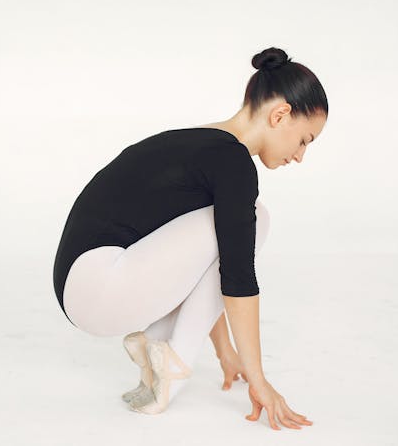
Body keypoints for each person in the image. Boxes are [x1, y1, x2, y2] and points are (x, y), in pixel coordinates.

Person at [52, 46, 326, 430]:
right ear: (280, 114)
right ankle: (173, 362)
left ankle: (157, 342)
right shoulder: (233, 165)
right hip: (100, 284)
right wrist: (260, 381)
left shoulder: (201, 143)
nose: (300, 156)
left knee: (237, 224)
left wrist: (224, 349)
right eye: (304, 140)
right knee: (255, 219)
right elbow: (236, 276)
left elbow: (194, 258)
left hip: (84, 286)